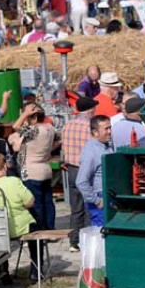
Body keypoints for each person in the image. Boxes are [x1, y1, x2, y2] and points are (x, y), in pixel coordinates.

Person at [60, 97, 98, 252]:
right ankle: (88, 240)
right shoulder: (90, 126)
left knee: (76, 208)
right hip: (86, 169)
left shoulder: (67, 125)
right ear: (90, 110)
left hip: (71, 169)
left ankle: (73, 241)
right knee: (90, 205)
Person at [11, 104, 56, 231]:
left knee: (36, 202)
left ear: (34, 118)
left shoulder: (34, 130)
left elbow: (15, 127)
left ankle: (39, 229)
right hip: (45, 168)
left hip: (30, 171)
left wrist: (25, 113)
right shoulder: (49, 128)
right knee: (48, 201)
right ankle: (50, 227)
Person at [76, 115, 114, 226]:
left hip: (108, 195)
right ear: (95, 132)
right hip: (100, 197)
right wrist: (97, 201)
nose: (110, 131)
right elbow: (81, 181)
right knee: (101, 232)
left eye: (110, 127)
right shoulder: (91, 151)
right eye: (106, 129)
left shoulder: (106, 145)